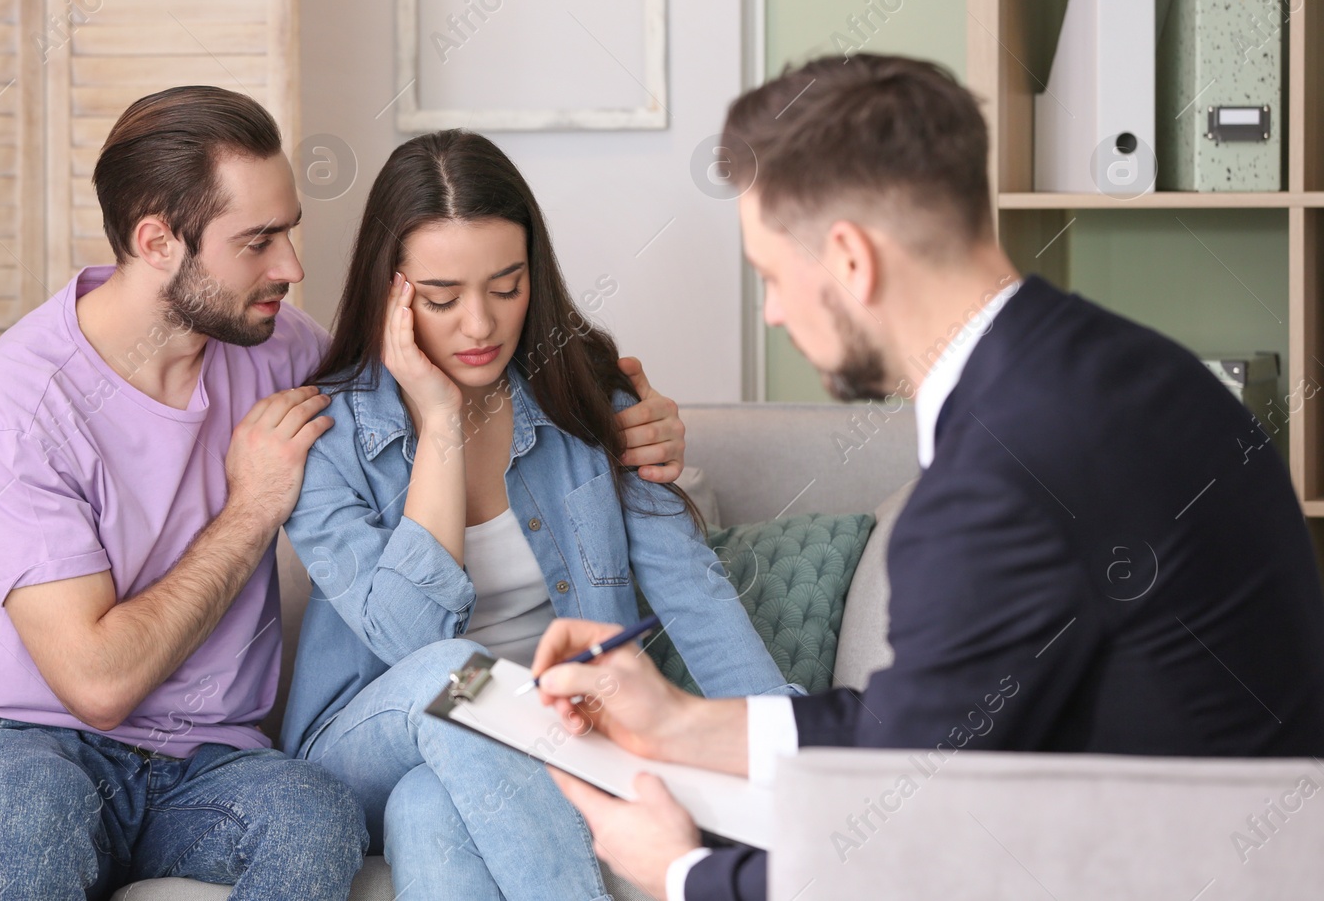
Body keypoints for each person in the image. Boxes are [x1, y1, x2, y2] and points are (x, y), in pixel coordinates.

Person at [528, 54, 1324, 901]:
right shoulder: (1113, 366)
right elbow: (923, 737)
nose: (772, 311)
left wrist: (679, 869)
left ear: (849, 260)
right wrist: (682, 723)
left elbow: (896, 855)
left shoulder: (999, 473)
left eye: (770, 275)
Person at [0, 84, 675, 901]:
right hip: (25, 745)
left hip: (211, 764)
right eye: (258, 241)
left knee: (315, 815)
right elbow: (97, 684)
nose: (293, 268)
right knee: (39, 812)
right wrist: (251, 506)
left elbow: (465, 371)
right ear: (158, 240)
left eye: (290, 231)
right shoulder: (16, 410)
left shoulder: (279, 351)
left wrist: (630, 418)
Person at [279, 129, 797, 901]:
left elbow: (696, 597)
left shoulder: (589, 401)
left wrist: (804, 777)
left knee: (430, 810)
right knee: (462, 678)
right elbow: (415, 646)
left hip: (561, 742)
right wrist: (442, 428)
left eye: (507, 285)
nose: (481, 325)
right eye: (443, 297)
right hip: (367, 741)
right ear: (391, 290)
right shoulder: (329, 439)